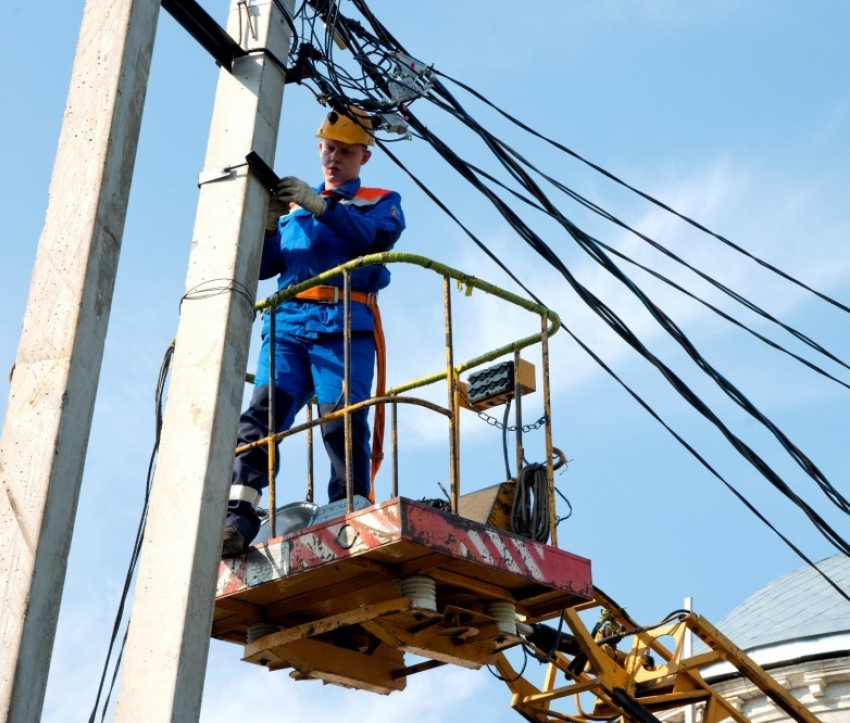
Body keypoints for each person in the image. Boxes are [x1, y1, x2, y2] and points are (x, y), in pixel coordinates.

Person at [223, 108, 405, 555]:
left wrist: (321, 206)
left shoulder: (380, 200)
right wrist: (266, 226)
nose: (333, 158)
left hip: (342, 323)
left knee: (339, 419)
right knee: (259, 421)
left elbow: (373, 239)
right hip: (287, 325)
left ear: (365, 155)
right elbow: (267, 267)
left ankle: (345, 510)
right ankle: (238, 515)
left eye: (344, 151)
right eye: (328, 148)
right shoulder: (292, 208)